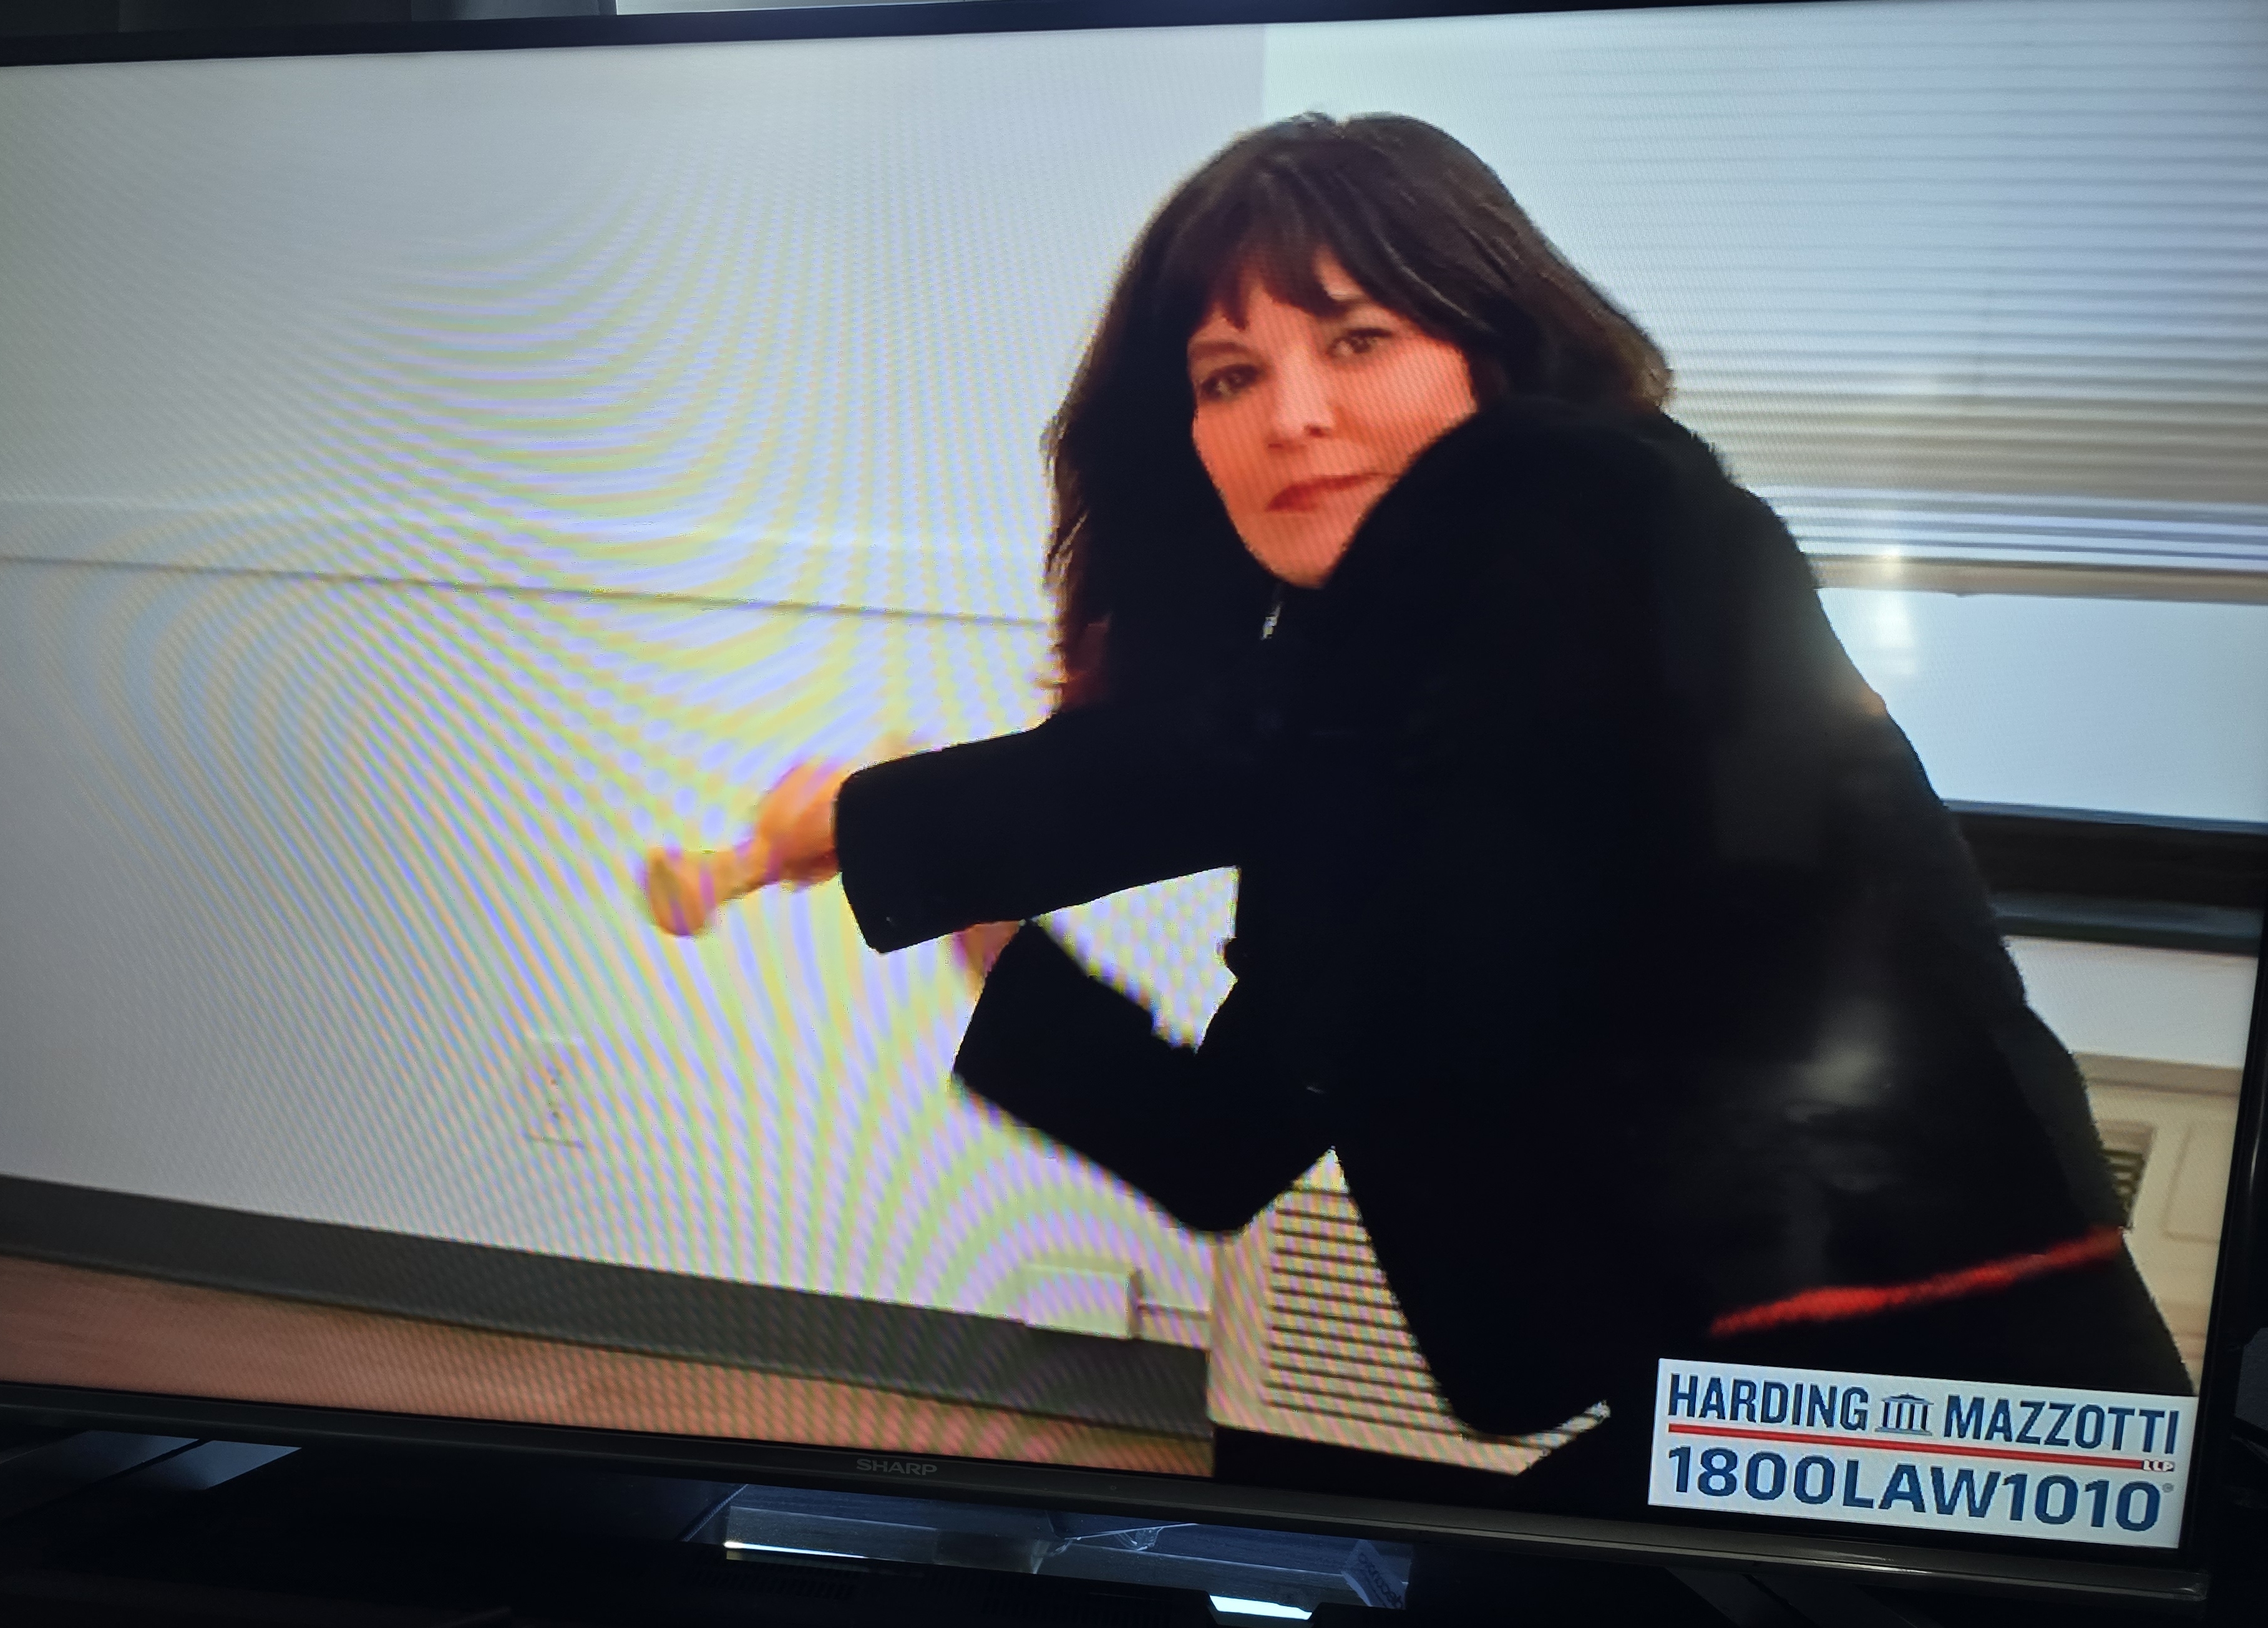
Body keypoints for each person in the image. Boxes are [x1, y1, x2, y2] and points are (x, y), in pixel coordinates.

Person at [754, 115, 2189, 1500]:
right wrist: (991, 935)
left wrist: (869, 825)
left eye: (1357, 341)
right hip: (1733, 1391)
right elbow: (1222, 1140)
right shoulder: (1394, 755)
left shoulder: (1584, 493)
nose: (1292, 415)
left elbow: (1234, 754)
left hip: (1965, 1377)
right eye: (1226, 376)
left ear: (1490, 355)